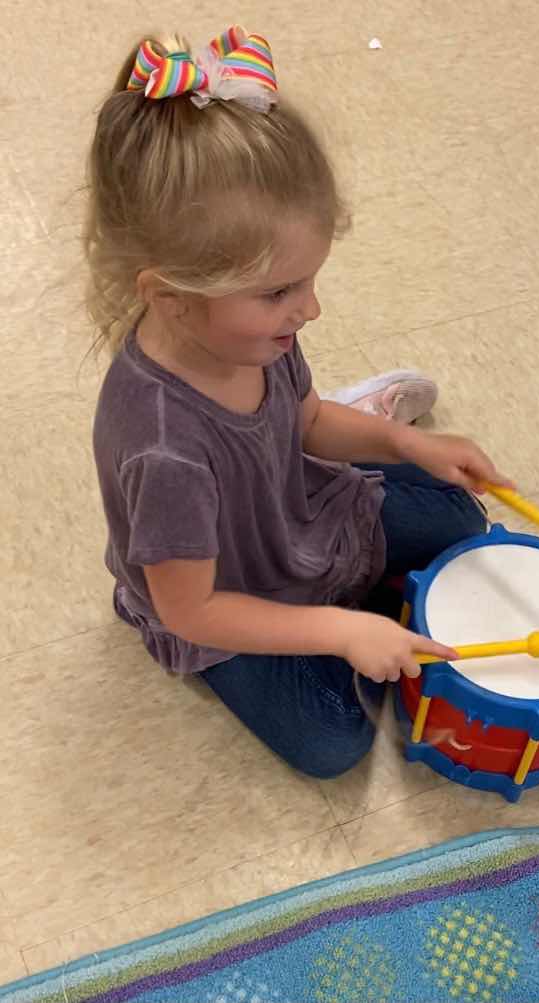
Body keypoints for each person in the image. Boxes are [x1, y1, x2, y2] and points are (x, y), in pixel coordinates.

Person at [87, 26, 511, 779]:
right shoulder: (165, 451)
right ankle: (341, 613)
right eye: (280, 290)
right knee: (333, 743)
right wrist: (342, 632)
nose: (309, 309)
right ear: (171, 295)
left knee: (459, 517)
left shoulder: (255, 339)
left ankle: (370, 460)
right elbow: (192, 610)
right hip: (222, 598)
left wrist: (410, 445)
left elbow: (308, 421)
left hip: (292, 513)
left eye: (309, 280)